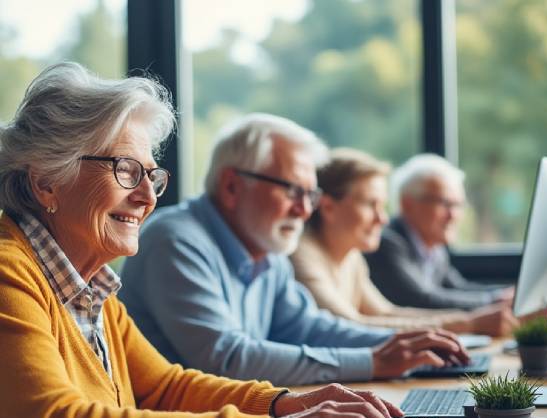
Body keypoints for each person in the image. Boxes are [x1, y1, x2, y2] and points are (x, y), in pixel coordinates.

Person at [0, 63, 405, 418]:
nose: (148, 197)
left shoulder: (89, 286)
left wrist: (287, 405)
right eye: (125, 170)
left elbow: (165, 390)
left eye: (151, 175)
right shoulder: (9, 272)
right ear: (45, 182)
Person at [119, 114, 469, 387]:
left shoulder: (266, 250)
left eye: (310, 195)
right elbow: (226, 360)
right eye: (291, 191)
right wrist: (375, 361)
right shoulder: (175, 240)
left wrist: (404, 344)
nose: (304, 210)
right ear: (231, 186)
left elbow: (310, 328)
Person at [290, 148, 517, 337]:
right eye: (371, 204)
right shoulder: (301, 255)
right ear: (329, 207)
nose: (383, 218)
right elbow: (352, 326)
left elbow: (386, 313)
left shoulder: (351, 256)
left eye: (382, 206)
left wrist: (469, 321)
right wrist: (469, 325)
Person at [366, 153, 515, 311]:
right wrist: (494, 301)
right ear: (407, 204)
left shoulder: (432, 246)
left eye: (458, 205)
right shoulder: (386, 244)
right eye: (445, 203)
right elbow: (421, 299)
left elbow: (458, 288)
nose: (454, 215)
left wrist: (504, 294)